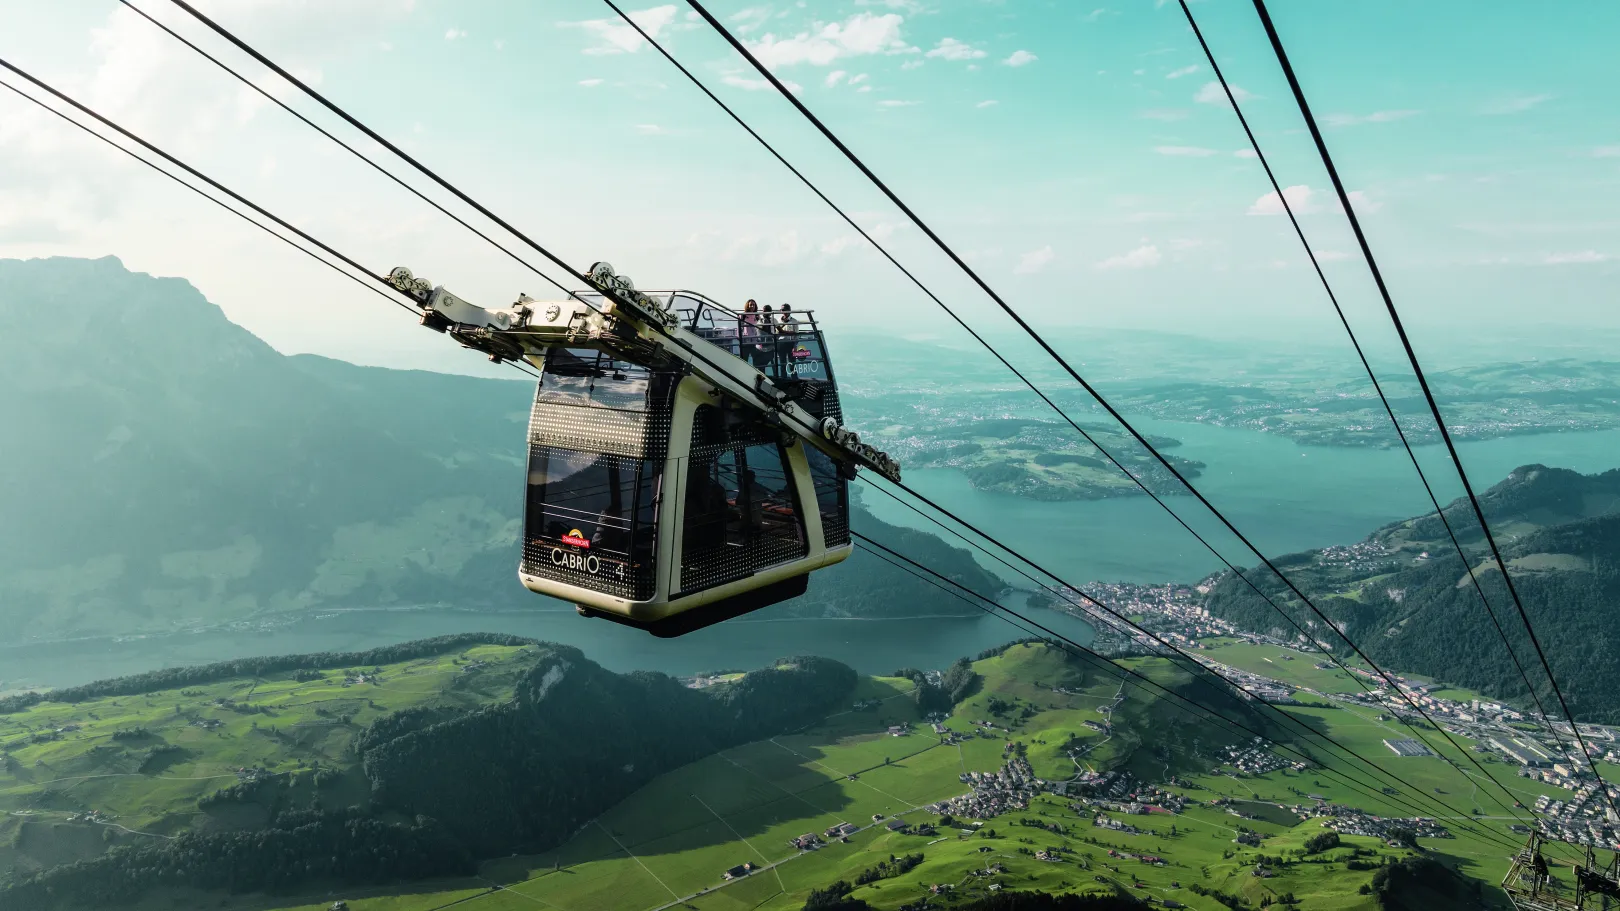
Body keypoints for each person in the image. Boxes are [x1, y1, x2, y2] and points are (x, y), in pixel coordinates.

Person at [776, 304, 799, 374]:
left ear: (789, 311)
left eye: (786, 310)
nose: (784, 311)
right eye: (782, 310)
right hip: (781, 344)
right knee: (782, 363)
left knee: (792, 363)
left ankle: (794, 378)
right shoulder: (778, 320)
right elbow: (776, 333)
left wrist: (795, 346)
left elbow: (796, 335)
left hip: (790, 343)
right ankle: (784, 377)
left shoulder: (794, 321)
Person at [741, 299, 763, 367]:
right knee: (744, 360)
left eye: (753, 305)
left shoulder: (757, 315)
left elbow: (761, 326)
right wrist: (740, 337)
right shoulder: (743, 315)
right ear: (748, 305)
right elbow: (739, 327)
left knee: (756, 360)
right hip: (746, 341)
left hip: (755, 342)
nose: (752, 306)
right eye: (751, 305)